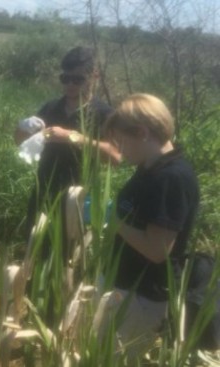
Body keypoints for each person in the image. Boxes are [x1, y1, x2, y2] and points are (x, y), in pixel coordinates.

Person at [93, 93, 200, 359]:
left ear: (141, 133)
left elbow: (157, 249)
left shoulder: (171, 178)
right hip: (123, 284)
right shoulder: (149, 167)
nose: (118, 150)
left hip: (140, 296)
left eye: (120, 142)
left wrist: (111, 220)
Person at [15, 46, 121, 240]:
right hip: (43, 193)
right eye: (65, 79)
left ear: (94, 76)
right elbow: (19, 142)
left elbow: (115, 157)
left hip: (78, 198)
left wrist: (74, 137)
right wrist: (23, 127)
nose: (70, 84)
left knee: (69, 258)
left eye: (78, 79)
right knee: (33, 250)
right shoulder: (51, 108)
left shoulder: (104, 114)